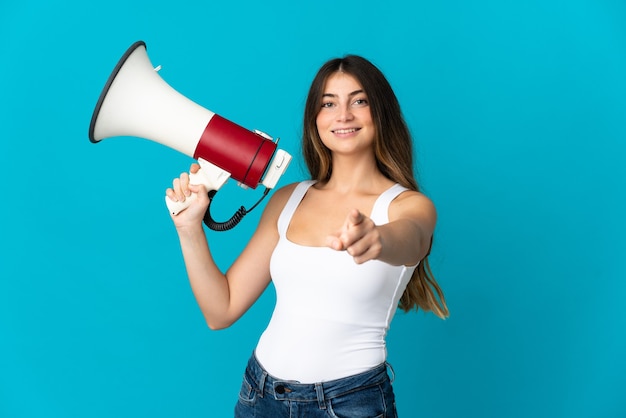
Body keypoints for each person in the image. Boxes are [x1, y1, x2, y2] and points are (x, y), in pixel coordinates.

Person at [165, 55, 449, 417]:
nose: (343, 115)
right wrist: (189, 228)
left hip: (349, 404)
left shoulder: (409, 207)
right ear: (315, 120)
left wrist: (376, 238)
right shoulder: (288, 199)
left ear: (381, 113)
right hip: (259, 396)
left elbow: (410, 237)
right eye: (328, 103)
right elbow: (220, 310)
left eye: (359, 101)